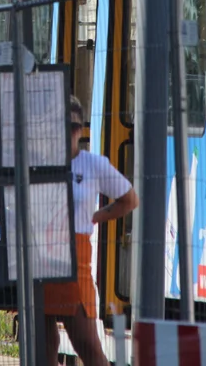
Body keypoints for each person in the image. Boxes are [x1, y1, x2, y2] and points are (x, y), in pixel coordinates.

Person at [43, 95, 138, 366]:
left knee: (89, 347)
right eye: (63, 126)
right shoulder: (41, 161)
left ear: (81, 130)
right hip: (41, 256)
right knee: (43, 348)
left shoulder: (93, 164)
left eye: (74, 127)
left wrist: (96, 216)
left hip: (76, 257)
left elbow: (130, 199)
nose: (69, 132)